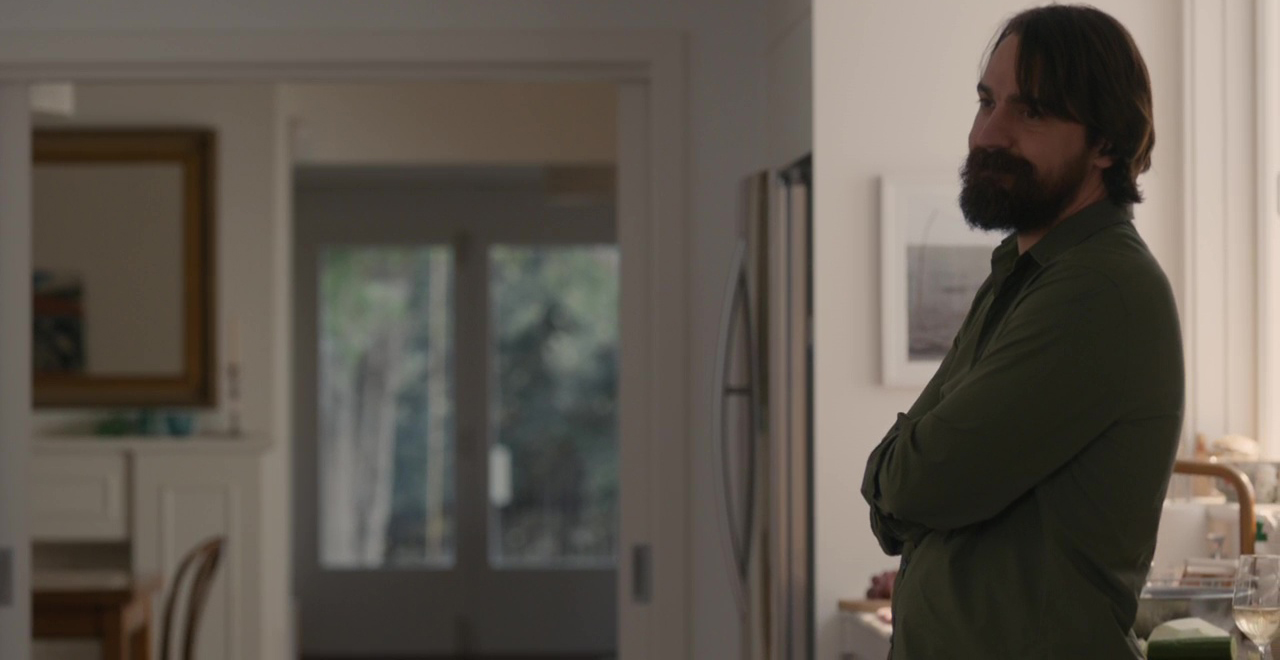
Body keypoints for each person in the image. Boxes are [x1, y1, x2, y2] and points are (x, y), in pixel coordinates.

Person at [860, 5, 1183, 658]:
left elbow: (921, 482)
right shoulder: (1021, 272)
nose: (989, 133)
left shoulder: (1097, 289)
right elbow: (911, 483)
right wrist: (898, 486)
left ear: (1107, 144)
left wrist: (894, 485)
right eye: (987, 101)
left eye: (1031, 111)